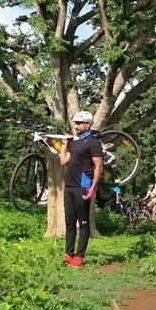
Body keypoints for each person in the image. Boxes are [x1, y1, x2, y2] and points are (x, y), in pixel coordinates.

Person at [60, 110, 103, 268]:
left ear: (88, 124)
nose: (76, 126)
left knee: (83, 223)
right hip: (70, 186)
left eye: (79, 123)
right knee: (69, 223)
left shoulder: (93, 142)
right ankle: (68, 254)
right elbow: (63, 161)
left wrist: (93, 188)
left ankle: (80, 256)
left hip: (83, 187)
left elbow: (98, 166)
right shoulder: (75, 142)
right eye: (75, 123)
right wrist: (65, 145)